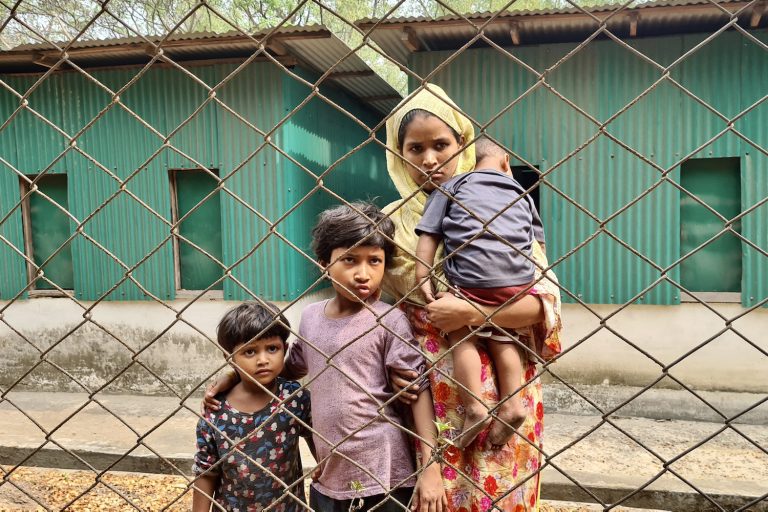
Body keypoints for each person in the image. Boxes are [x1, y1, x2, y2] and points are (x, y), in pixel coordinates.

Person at [382, 83, 562, 511]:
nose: (429, 159)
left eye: (441, 145)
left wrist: (474, 312)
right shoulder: (388, 224)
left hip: (506, 386)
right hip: (425, 388)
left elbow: (543, 304)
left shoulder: (503, 205)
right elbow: (374, 307)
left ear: (462, 143)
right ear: (397, 153)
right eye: (415, 148)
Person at [204, 202, 446, 512]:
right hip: (330, 475)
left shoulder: (390, 321)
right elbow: (288, 368)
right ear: (323, 264)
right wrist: (236, 375)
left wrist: (430, 467)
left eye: (375, 261)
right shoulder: (311, 317)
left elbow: (418, 392)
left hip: (385, 472)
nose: (363, 274)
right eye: (349, 260)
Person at [414, 136, 548, 449]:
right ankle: (513, 405)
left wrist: (423, 274)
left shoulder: (452, 186)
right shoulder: (523, 193)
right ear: (505, 164)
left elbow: (429, 236)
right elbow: (538, 244)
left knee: (460, 335)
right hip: (517, 282)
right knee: (506, 338)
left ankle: (474, 405)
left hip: (469, 283)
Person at [192, 301, 312, 512]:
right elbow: (206, 472)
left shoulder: (294, 398)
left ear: (284, 348)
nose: (263, 360)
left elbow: (314, 434)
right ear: (229, 357)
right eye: (250, 352)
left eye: (272, 348)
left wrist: (324, 466)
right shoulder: (216, 410)